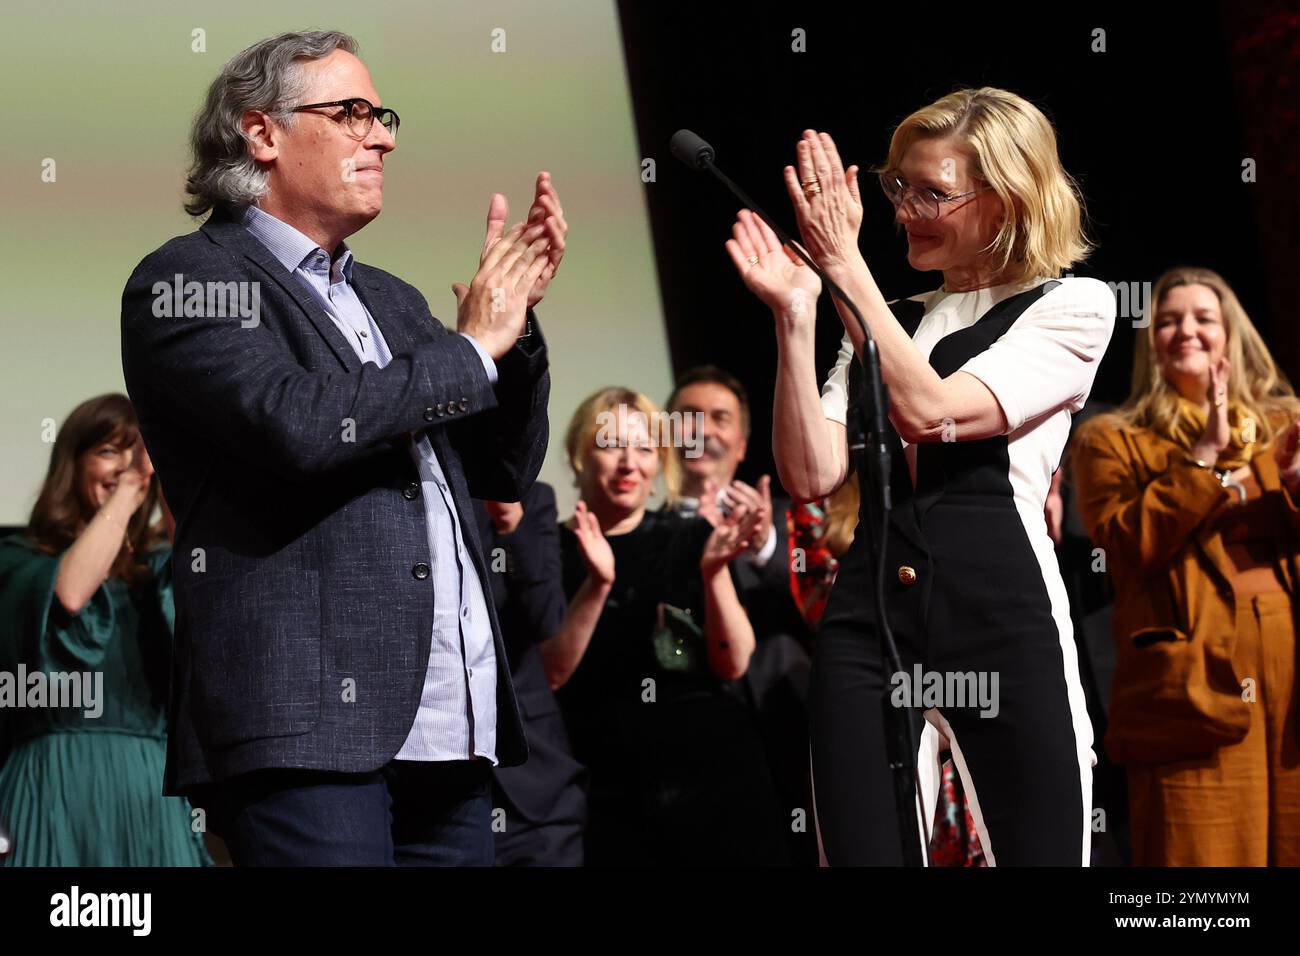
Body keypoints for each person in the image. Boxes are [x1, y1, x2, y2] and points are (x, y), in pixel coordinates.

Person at [119, 30, 562, 866]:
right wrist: (470, 349)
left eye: (382, 115)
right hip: (304, 727)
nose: (384, 136)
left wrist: (516, 328)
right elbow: (299, 422)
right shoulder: (189, 278)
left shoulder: (389, 299)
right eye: (353, 112)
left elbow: (498, 467)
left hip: (448, 725)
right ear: (262, 134)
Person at [725, 87, 1115, 865]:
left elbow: (933, 411)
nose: (901, 208)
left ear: (1006, 202)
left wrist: (843, 270)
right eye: (896, 184)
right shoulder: (892, 311)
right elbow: (810, 474)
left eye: (931, 192)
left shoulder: (1073, 305)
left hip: (1004, 619)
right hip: (868, 623)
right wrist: (796, 319)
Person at [1072, 266, 1300, 865]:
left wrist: (1293, 483)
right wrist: (1202, 461)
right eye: (1168, 321)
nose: (1185, 331)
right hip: (1190, 677)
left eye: (1203, 318)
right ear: (1151, 341)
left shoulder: (1284, 427)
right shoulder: (1112, 439)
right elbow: (1124, 545)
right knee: (1202, 858)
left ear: (1232, 335)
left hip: (1291, 655)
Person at [542, 387, 788, 865]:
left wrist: (714, 571)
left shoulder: (691, 537)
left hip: (713, 778)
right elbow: (548, 674)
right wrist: (598, 584)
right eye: (611, 445)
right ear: (577, 454)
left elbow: (733, 661)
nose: (628, 463)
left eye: (644, 449)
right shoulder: (549, 551)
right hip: (603, 789)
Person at [0, 394, 210, 866]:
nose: (124, 467)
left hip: (146, 798)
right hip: (51, 789)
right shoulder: (19, 561)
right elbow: (68, 597)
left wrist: (178, 477)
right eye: (109, 451)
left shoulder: (159, 572)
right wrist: (133, 483)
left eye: (139, 452)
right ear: (71, 464)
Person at [664, 365, 815, 864]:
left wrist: (763, 548)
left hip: (791, 731)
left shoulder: (791, 517)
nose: (704, 431)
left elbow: (820, 608)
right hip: (692, 755)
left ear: (744, 443)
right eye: (688, 418)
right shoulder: (642, 531)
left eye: (719, 418)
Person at [473, 483, 587, 866]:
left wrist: (512, 527)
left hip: (533, 780)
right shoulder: (418, 496)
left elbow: (545, 619)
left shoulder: (532, 499)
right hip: (438, 778)